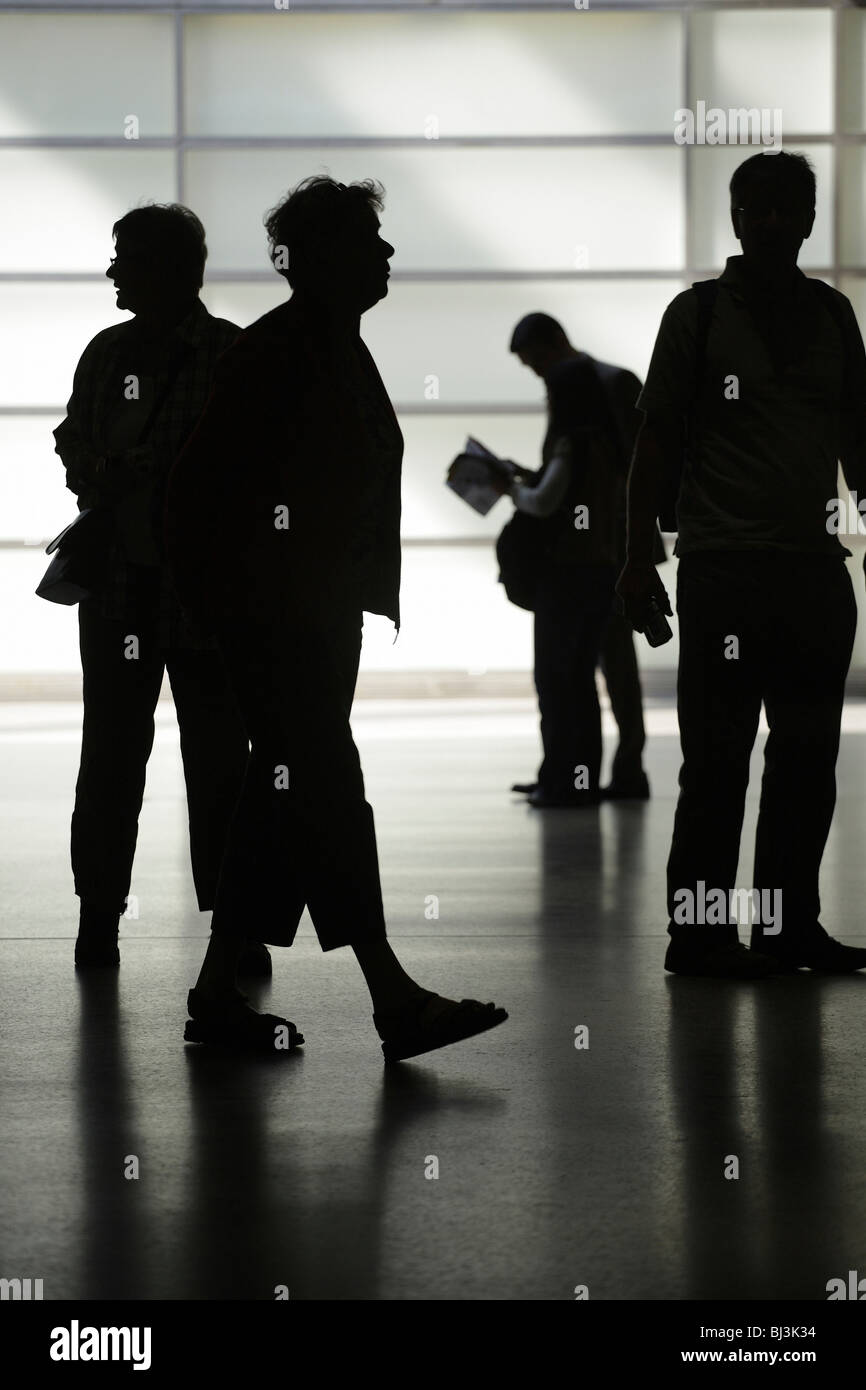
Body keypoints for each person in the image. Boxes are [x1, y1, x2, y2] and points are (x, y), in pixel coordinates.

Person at [164, 175, 508, 1060]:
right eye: (369, 241)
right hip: (281, 621)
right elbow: (200, 489)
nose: (387, 255)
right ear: (318, 259)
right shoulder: (281, 355)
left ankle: (217, 992)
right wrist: (241, 605)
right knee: (326, 795)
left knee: (275, 803)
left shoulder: (331, 348)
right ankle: (393, 997)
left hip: (307, 618)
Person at [617, 149, 866, 978]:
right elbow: (653, 439)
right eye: (755, 208)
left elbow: (859, 442)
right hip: (723, 569)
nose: (770, 223)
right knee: (719, 762)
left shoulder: (833, 317)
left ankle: (788, 928)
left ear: (808, 217)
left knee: (805, 761)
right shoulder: (696, 315)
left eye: (785, 208)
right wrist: (636, 555)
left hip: (810, 570)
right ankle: (701, 934)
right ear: (735, 218)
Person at [54, 203, 267, 974]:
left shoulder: (153, 353)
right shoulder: (220, 352)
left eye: (127, 258)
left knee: (128, 756)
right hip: (188, 596)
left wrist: (111, 474)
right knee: (208, 760)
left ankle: (107, 918)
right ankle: (221, 928)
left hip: (148, 592)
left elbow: (78, 440)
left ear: (172, 269)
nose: (114, 271)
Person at [505, 314, 663, 805]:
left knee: (597, 668)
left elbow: (636, 468)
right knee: (593, 668)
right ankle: (588, 773)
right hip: (606, 548)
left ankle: (614, 771)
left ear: (553, 343)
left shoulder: (600, 388)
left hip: (609, 550)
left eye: (536, 362)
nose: (538, 377)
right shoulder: (594, 385)